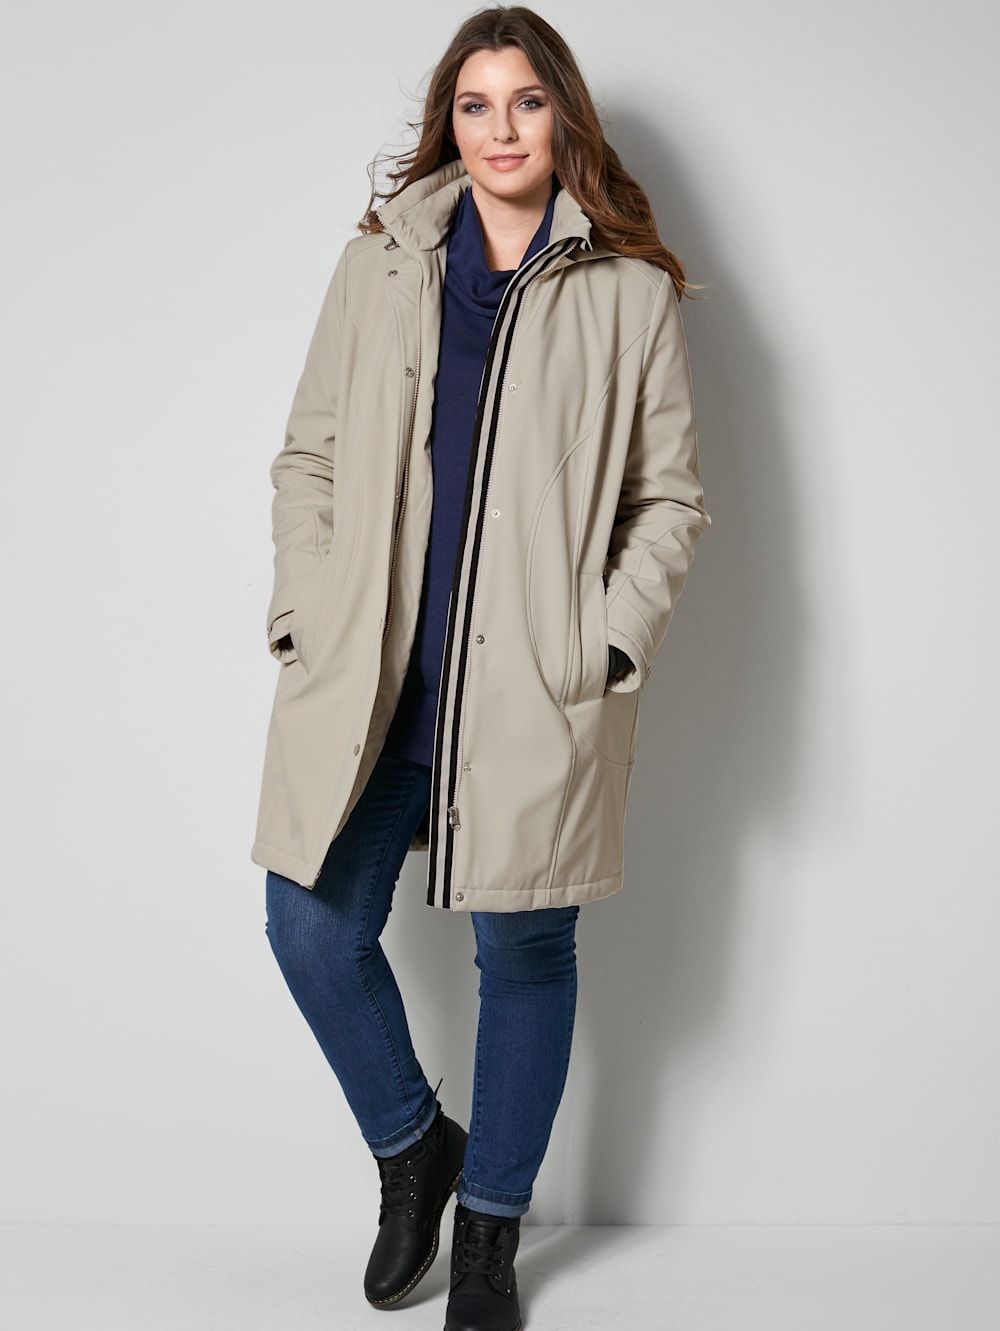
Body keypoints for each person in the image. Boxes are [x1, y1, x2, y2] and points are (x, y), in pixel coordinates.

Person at [253, 7, 709, 1328]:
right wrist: (307, 613)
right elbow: (308, 457)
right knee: (308, 923)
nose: (500, 129)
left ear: (564, 115)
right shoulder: (382, 265)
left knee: (523, 946)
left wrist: (603, 645)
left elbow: (669, 503)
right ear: (447, 122)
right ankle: (416, 1149)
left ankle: (493, 1235)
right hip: (377, 673)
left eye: (525, 101)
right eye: (474, 104)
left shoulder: (625, 292)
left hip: (529, 688)